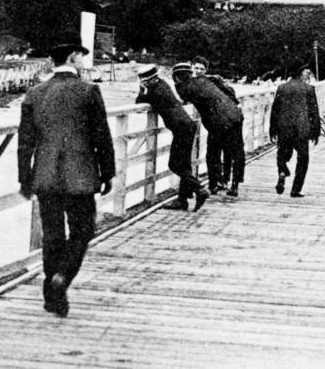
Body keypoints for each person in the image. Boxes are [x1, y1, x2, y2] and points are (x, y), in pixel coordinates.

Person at [18, 41, 115, 318]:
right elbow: (102, 136)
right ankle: (62, 276)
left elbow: (25, 142)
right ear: (73, 58)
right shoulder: (88, 91)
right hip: (80, 175)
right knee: (83, 230)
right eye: (82, 57)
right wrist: (107, 172)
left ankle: (52, 296)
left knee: (52, 235)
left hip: (45, 174)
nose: (84, 62)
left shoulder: (35, 93)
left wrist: (25, 178)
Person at [135, 64, 210, 212]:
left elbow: (138, 103)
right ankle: (182, 200)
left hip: (181, 129)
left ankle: (199, 189)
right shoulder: (163, 85)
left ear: (149, 80)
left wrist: (141, 90)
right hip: (187, 126)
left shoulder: (155, 92)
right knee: (185, 165)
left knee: (175, 165)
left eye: (145, 81)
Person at [174, 62, 246, 198]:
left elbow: (182, 98)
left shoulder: (185, 87)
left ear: (177, 77)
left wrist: (177, 85)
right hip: (235, 116)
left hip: (217, 122)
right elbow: (229, 91)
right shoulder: (207, 79)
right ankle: (234, 185)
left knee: (212, 153)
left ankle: (213, 185)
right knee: (236, 152)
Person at [191, 56, 243, 193]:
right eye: (196, 68)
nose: (198, 71)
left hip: (225, 121)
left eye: (201, 69)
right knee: (213, 153)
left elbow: (231, 94)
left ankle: (231, 184)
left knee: (230, 152)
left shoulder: (213, 81)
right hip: (217, 122)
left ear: (206, 70)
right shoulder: (196, 83)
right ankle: (216, 182)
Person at [269, 62, 321, 197]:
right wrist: (316, 131)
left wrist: (272, 129)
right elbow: (314, 112)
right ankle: (296, 189)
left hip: (284, 127)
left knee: (282, 153)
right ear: (300, 72)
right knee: (303, 158)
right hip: (301, 128)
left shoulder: (281, 88)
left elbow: (275, 110)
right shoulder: (308, 89)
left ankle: (282, 171)